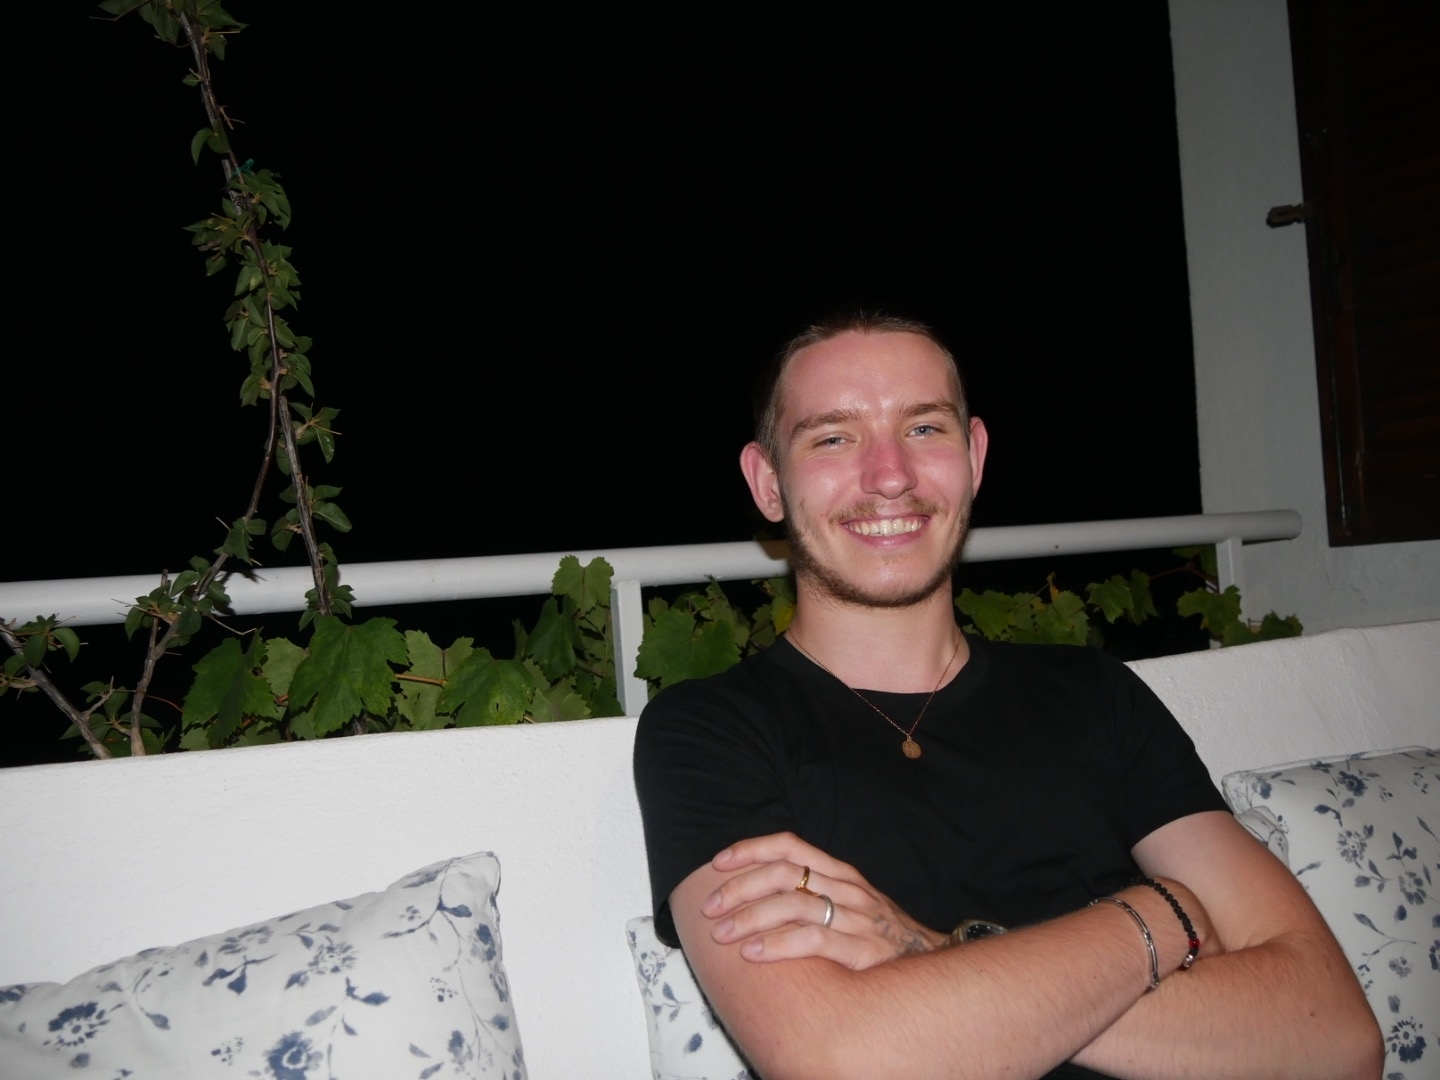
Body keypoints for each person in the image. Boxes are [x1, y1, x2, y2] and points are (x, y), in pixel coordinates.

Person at [632, 313, 1381, 1080]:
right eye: (833, 438)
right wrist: (1163, 917)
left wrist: (930, 951)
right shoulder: (709, 734)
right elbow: (840, 1060)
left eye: (924, 428)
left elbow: (1335, 1037)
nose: (890, 475)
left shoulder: (1093, 694)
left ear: (975, 456)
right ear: (768, 483)